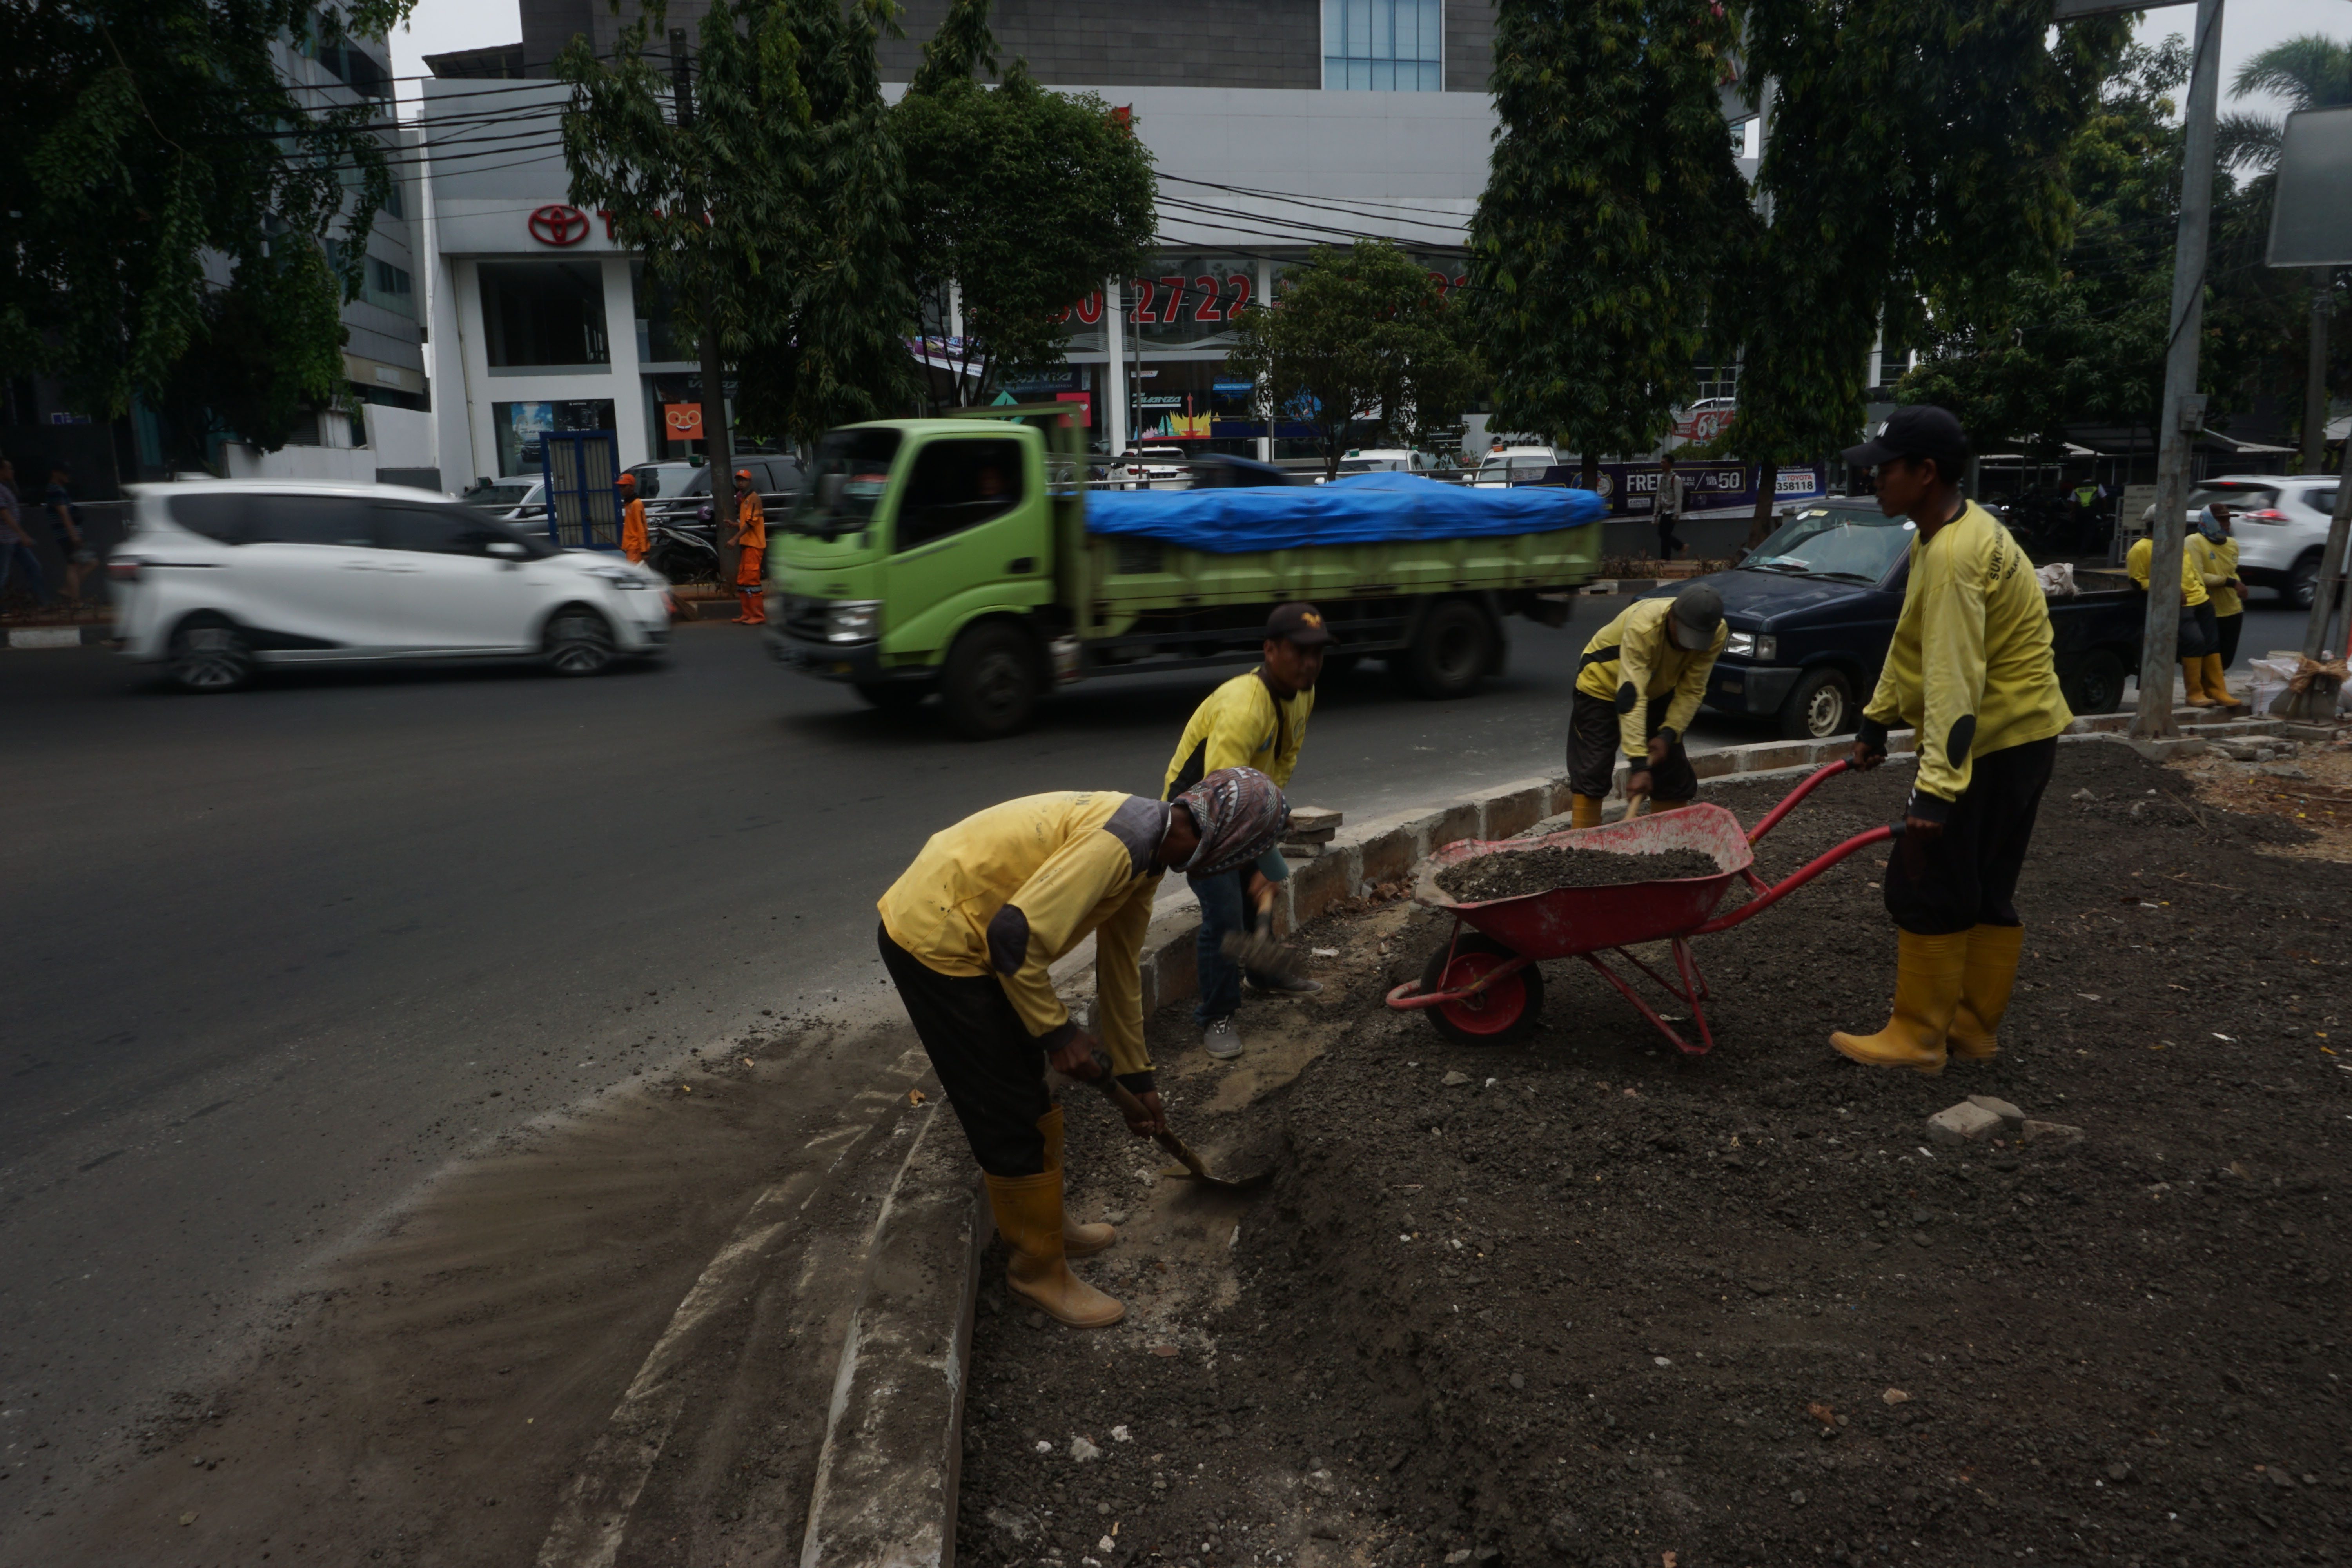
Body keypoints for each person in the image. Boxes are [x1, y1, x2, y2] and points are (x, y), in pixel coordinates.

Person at [876, 768, 1289, 1327]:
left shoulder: (1151, 856)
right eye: (1242, 858)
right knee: (1004, 1107)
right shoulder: (1124, 844)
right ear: (1224, 841)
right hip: (939, 933)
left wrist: (1139, 1079)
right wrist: (1060, 1034)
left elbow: (1118, 973)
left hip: (980, 933)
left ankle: (1049, 1227)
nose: (1236, 872)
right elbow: (1012, 937)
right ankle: (1036, 1272)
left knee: (1028, 1080)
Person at [1831, 405, 2072, 1074]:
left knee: (1926, 882)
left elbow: (1954, 682)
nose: (1873, 480)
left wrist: (1935, 792)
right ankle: (1971, 1030)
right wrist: (1877, 719)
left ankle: (1917, 1038)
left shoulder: (1956, 557)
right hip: (2028, 737)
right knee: (1986, 886)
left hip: (1988, 744)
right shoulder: (1951, 533)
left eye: (1884, 469)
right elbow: (1912, 640)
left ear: (1925, 472)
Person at [1161, 603, 1328, 1061]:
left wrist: (1270, 820)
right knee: (1227, 916)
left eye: (1317, 653)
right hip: (1196, 820)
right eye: (1299, 652)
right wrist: (1254, 864)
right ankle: (1216, 1014)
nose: (1310, 663)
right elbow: (1220, 804)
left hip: (1242, 809)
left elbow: (1285, 759)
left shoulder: (1303, 691)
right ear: (1270, 650)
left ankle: (1264, 973)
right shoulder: (1243, 708)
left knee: (1264, 889)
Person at [1565, 585, 1727, 829]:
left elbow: (1692, 689)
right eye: (1685, 636)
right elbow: (1631, 696)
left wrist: (1668, 734)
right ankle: (1581, 844)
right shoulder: (1644, 627)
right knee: (1593, 770)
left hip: (1657, 689)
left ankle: (1668, 842)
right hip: (1602, 684)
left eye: (1697, 641)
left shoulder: (1716, 632)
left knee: (1672, 772)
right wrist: (1639, 766)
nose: (1689, 647)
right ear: (1671, 617)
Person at [2124, 527, 2215, 706]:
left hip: (2199, 599)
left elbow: (2192, 571)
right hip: (2173, 604)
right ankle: (2194, 693)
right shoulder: (2141, 549)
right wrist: (2171, 589)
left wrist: (2202, 589)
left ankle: (2214, 690)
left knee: (2212, 644)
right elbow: (2138, 581)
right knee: (2194, 641)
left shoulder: (2177, 545)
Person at [2185, 505, 2249, 711]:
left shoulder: (2232, 544)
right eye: (2221, 520)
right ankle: (2205, 692)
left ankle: (2212, 690)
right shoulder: (2194, 542)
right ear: (2208, 521)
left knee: (2226, 658)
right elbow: (2199, 576)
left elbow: (2232, 571)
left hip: (2232, 608)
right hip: (2208, 608)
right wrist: (2231, 583)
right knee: (2208, 651)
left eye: (2228, 520)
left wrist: (2236, 585)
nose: (2227, 524)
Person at [0, 459, 53, 612]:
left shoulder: (7, 488)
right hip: (4, 539)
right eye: (9, 469)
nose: (12, 472)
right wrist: (22, 534)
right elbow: (4, 514)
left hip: (14, 539)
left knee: (33, 566)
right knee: (2, 574)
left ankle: (42, 603)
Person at [43, 462, 96, 609]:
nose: (68, 476)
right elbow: (64, 514)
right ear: (55, 473)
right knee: (75, 566)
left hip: (69, 534)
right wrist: (73, 535)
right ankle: (74, 600)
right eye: (65, 473)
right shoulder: (55, 490)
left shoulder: (58, 490)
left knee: (88, 563)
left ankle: (69, 592)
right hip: (67, 535)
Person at [729, 468, 765, 624]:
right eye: (738, 480)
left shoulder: (754, 499)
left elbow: (751, 524)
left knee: (752, 581)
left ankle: (758, 616)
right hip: (747, 545)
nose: (740, 483)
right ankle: (747, 614)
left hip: (754, 546)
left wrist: (734, 539)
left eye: (743, 480)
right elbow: (746, 523)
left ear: (750, 482)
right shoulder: (745, 499)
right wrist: (735, 524)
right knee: (743, 581)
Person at [1655, 452, 1688, 560]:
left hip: (1672, 511)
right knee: (1664, 534)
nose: (1661, 464)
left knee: (1664, 534)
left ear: (1669, 464)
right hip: (1664, 510)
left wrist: (1677, 514)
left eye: (1664, 462)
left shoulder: (1676, 479)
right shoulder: (1662, 478)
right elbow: (1659, 496)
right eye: (1661, 462)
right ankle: (1667, 557)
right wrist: (1656, 513)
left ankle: (1679, 548)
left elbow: (1679, 497)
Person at [618, 472, 648, 565]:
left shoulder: (636, 504)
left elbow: (642, 527)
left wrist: (644, 550)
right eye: (620, 486)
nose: (621, 489)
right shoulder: (629, 504)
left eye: (624, 486)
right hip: (632, 547)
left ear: (632, 487)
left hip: (636, 548)